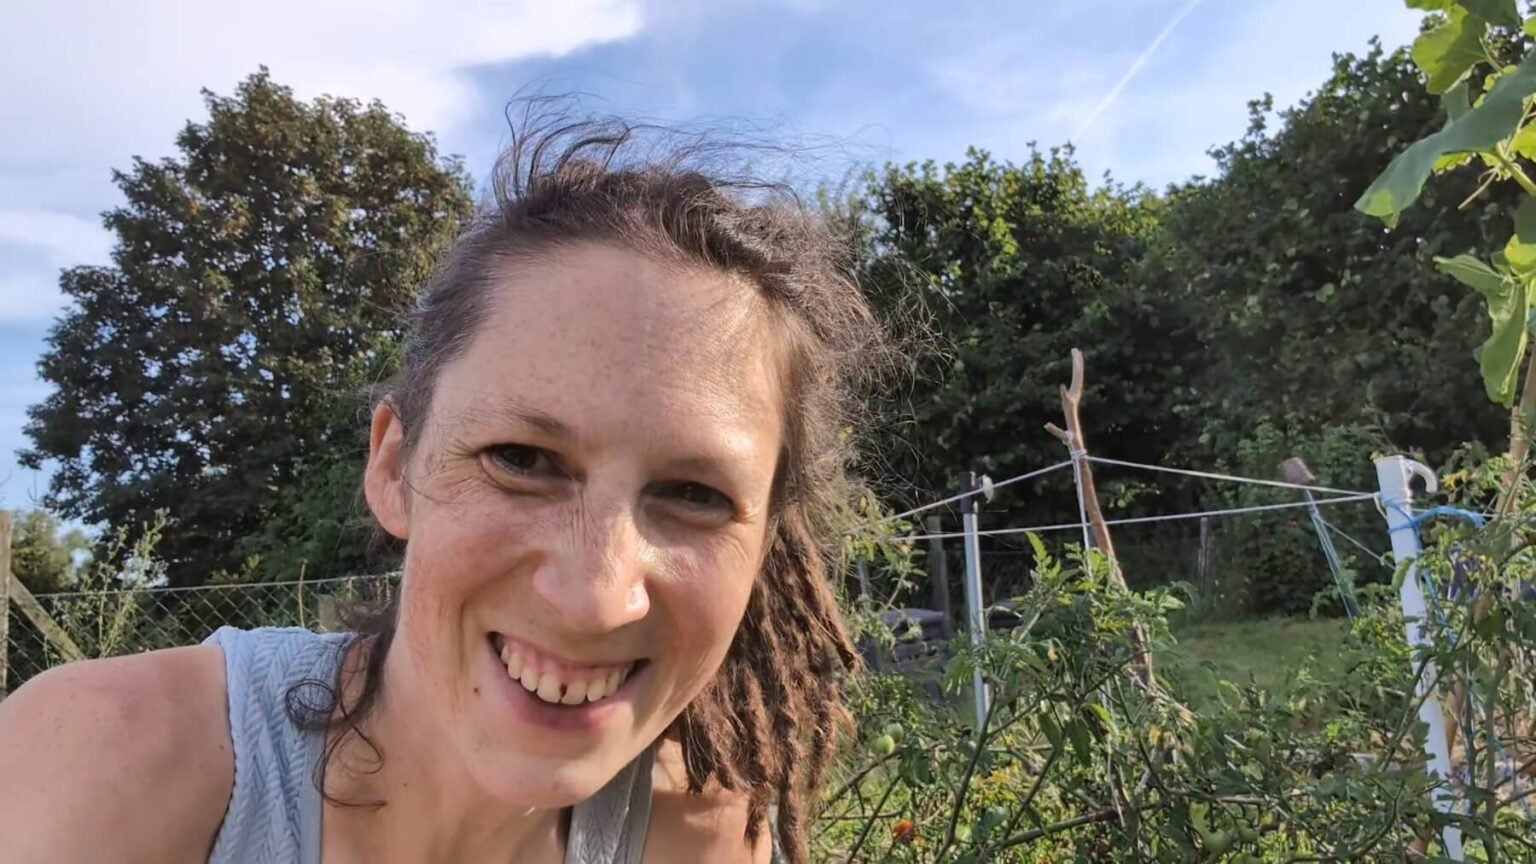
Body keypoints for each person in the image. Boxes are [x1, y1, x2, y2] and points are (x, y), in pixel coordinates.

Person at [0, 111, 890, 864]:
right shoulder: (104, 760)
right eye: (522, 460)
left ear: (763, 548)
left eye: (695, 495)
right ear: (394, 466)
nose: (593, 599)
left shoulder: (701, 840)